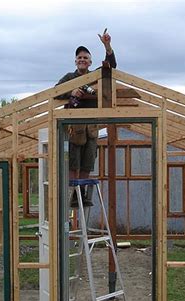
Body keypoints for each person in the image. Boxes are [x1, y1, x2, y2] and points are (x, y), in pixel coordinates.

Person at [56, 29, 117, 207]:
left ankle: (81, 193)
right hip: (73, 128)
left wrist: (107, 46)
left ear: (90, 62)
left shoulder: (95, 76)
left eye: (85, 58)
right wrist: (70, 92)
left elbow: (111, 66)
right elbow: (55, 92)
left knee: (87, 162)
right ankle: (73, 193)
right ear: (75, 61)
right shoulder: (69, 77)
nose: (82, 60)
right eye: (79, 58)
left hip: (91, 128)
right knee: (73, 162)